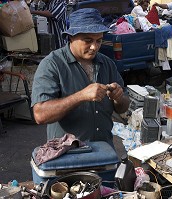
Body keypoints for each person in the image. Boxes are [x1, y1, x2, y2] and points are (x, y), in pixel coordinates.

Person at [31, 8, 130, 147]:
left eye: (99, 41)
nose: (94, 47)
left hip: (104, 151)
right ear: (71, 37)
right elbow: (40, 115)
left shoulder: (107, 64)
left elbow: (123, 108)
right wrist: (81, 96)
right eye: (88, 40)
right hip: (67, 155)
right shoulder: (52, 64)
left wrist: (119, 98)